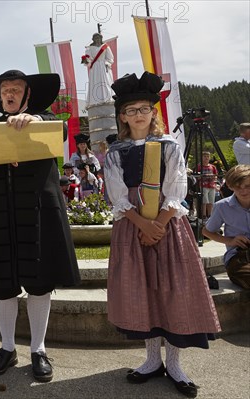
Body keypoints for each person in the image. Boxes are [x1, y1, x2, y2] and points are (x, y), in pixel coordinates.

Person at [104, 71, 221, 398]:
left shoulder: (168, 144)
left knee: (173, 290)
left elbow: (177, 187)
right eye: (131, 110)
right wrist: (142, 225)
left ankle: (174, 363)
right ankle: (152, 359)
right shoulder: (116, 151)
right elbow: (117, 194)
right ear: (122, 117)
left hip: (169, 228)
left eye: (144, 108)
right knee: (142, 291)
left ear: (153, 112)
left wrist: (160, 223)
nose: (138, 115)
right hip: (132, 228)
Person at [0, 69, 80, 382]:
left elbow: (57, 131)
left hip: (37, 211)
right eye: (5, 89)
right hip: (1, 212)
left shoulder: (44, 120)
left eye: (16, 88)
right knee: (2, 282)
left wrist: (35, 122)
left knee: (39, 279)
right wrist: (3, 152)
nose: (9, 93)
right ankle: (6, 347)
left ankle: (38, 349)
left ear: (27, 95)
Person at [202, 164, 250, 289]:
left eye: (248, 186)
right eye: (238, 187)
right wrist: (231, 241)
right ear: (230, 186)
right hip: (239, 257)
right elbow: (207, 232)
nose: (243, 191)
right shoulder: (222, 206)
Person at [82, 33, 115, 106]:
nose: (97, 39)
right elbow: (88, 59)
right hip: (95, 68)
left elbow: (110, 58)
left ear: (101, 38)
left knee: (106, 82)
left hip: (103, 66)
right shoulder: (89, 48)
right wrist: (85, 60)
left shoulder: (105, 47)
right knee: (95, 82)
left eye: (98, 38)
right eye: (95, 38)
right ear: (93, 39)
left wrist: (106, 63)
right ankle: (95, 100)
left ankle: (107, 98)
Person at [196, 151, 218, 222]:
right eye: (205, 156)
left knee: (211, 201)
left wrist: (214, 179)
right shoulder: (199, 166)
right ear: (202, 157)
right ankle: (204, 215)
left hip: (212, 185)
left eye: (208, 156)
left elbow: (216, 175)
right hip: (203, 185)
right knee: (204, 201)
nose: (206, 158)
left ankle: (210, 215)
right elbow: (197, 176)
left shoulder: (212, 167)